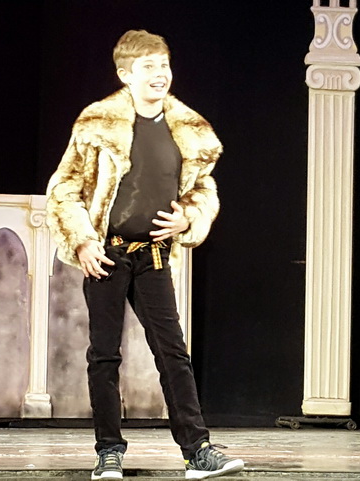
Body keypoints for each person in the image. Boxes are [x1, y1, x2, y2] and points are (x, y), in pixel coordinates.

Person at [45, 29, 244, 480]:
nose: (160, 74)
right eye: (148, 66)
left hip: (153, 256)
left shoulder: (189, 131)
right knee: (104, 355)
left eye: (164, 65)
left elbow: (203, 189)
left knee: (173, 353)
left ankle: (197, 451)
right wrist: (82, 240)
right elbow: (64, 188)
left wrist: (188, 218)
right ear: (125, 74)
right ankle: (109, 451)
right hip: (107, 254)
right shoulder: (97, 124)